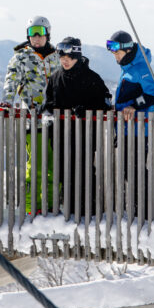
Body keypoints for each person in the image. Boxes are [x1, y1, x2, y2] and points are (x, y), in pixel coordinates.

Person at [43, 37, 112, 214]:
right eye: (62, 57)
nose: (65, 60)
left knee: (83, 171)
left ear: (77, 56)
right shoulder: (56, 77)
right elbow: (50, 100)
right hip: (60, 136)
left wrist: (87, 108)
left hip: (84, 137)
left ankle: (87, 209)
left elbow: (105, 103)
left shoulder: (91, 78)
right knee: (63, 172)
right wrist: (48, 107)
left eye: (69, 57)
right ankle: (69, 210)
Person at [2, 15, 60, 212]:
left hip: (55, 118)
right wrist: (7, 102)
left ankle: (51, 206)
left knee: (54, 166)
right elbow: (11, 81)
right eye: (32, 33)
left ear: (48, 34)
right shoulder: (21, 56)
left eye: (40, 32)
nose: (36, 37)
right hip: (32, 119)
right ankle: (30, 206)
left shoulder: (58, 56)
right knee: (34, 166)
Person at [106, 29, 154, 220]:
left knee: (136, 169)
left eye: (117, 52)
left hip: (138, 130)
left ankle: (150, 213)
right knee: (130, 170)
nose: (115, 56)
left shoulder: (140, 68)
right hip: (127, 129)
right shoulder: (128, 67)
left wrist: (133, 106)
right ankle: (142, 210)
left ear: (128, 50)